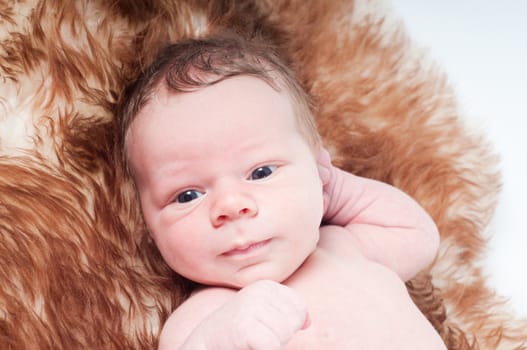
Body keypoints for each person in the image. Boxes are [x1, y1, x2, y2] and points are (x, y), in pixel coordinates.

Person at [118, 32, 447, 349]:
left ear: (316, 168)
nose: (231, 205)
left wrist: (328, 184)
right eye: (187, 195)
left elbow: (417, 235)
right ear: (147, 225)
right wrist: (215, 339)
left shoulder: (344, 247)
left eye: (261, 173)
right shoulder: (201, 319)